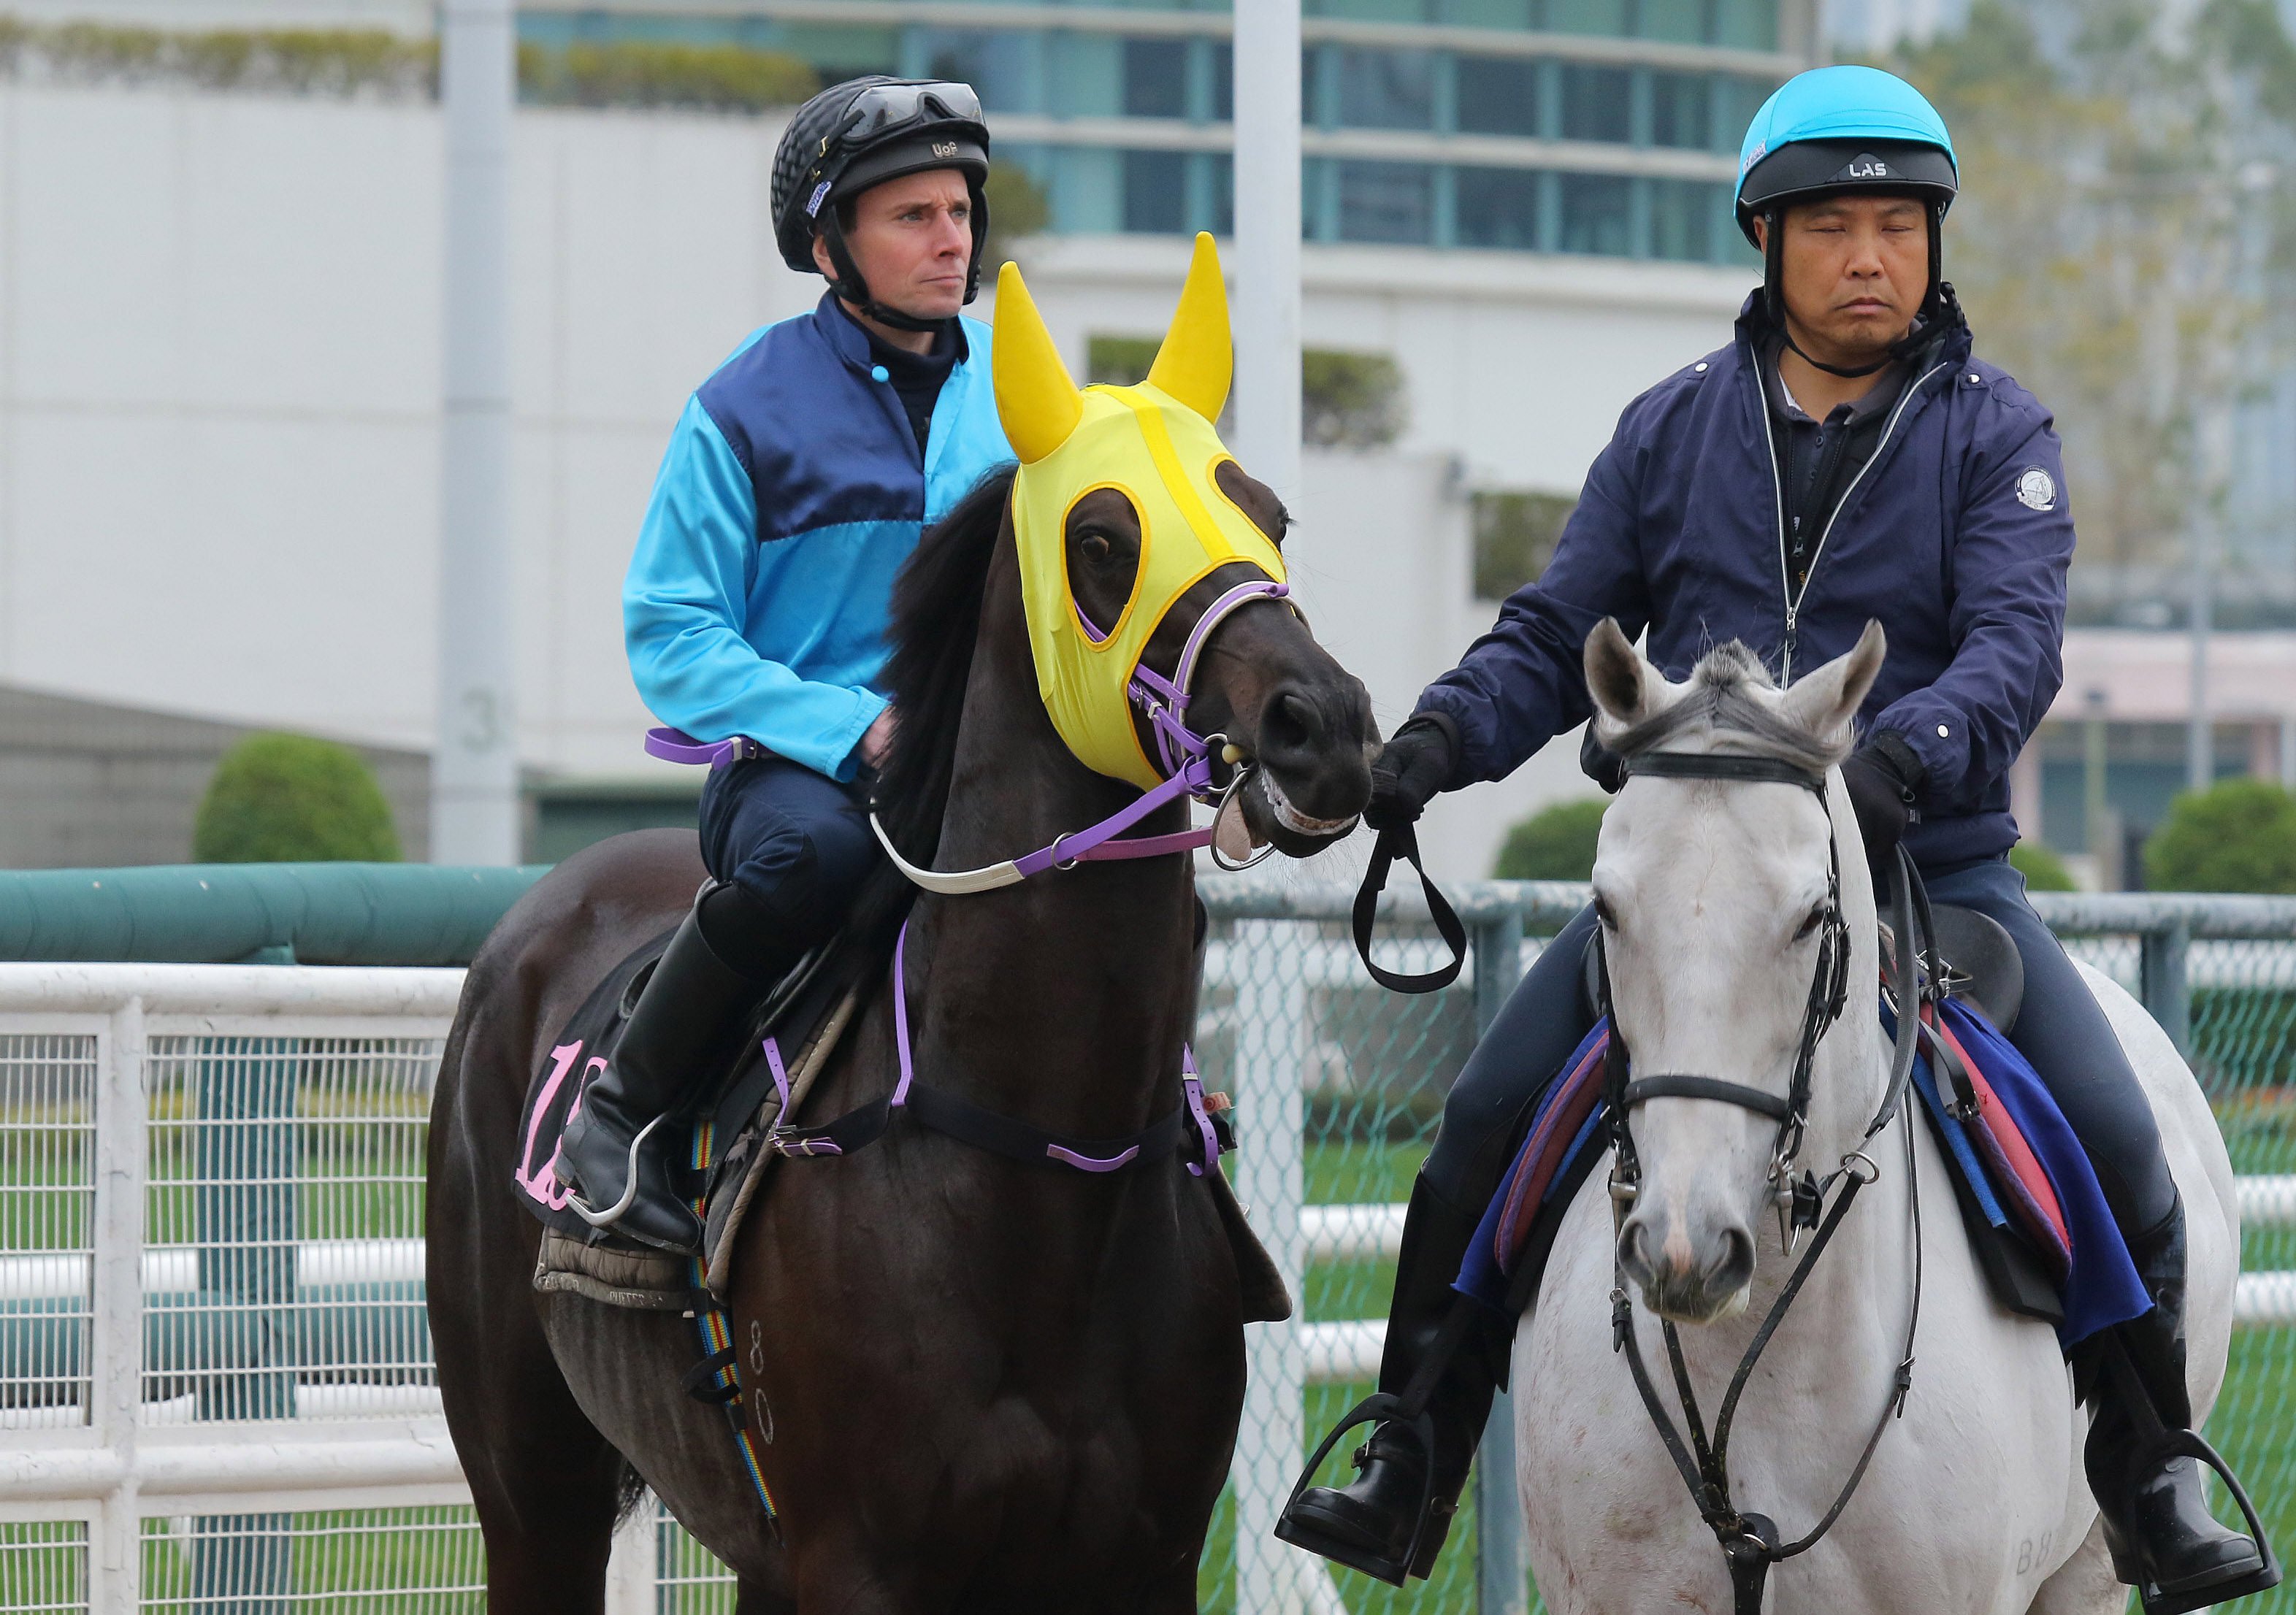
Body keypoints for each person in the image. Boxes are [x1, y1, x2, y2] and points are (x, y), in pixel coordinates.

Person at [1279, 64, 2276, 1611]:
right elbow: (1556, 635)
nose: (1869, 256)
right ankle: (1408, 1443)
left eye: (1897, 225)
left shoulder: (1995, 429)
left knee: (2121, 1143)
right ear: (1769, 243)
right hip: (1694, 888)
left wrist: (1902, 759)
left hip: (1929, 870)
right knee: (1481, 1124)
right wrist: (1436, 741)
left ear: (1936, 246)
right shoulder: (1671, 428)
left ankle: (2145, 1476)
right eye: (1832, 228)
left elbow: (2016, 644)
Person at [551, 77, 1014, 1254]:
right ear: (830, 244)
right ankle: (619, 1118)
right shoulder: (743, 408)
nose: (951, 239)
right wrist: (855, 728)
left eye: (960, 210)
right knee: (820, 852)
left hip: (985, 759)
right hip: (800, 773)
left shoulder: (1028, 391)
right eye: (912, 216)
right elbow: (672, 630)